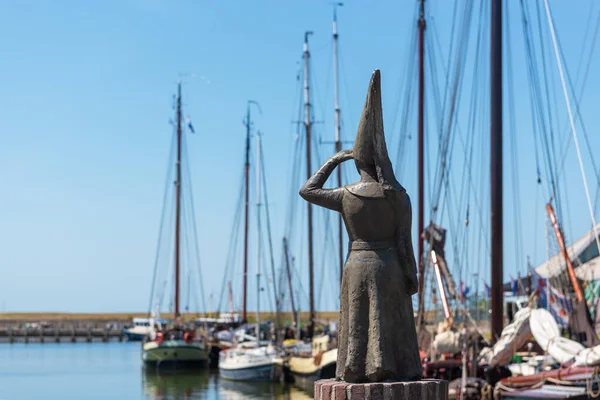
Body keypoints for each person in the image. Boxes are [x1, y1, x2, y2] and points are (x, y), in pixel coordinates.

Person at [300, 70, 421, 383]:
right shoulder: (399, 196)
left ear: (357, 160)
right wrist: (412, 275)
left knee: (358, 323)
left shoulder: (346, 195)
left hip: (356, 264)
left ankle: (353, 368)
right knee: (390, 324)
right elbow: (405, 242)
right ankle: (394, 368)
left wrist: (335, 159)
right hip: (390, 265)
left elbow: (308, 190)